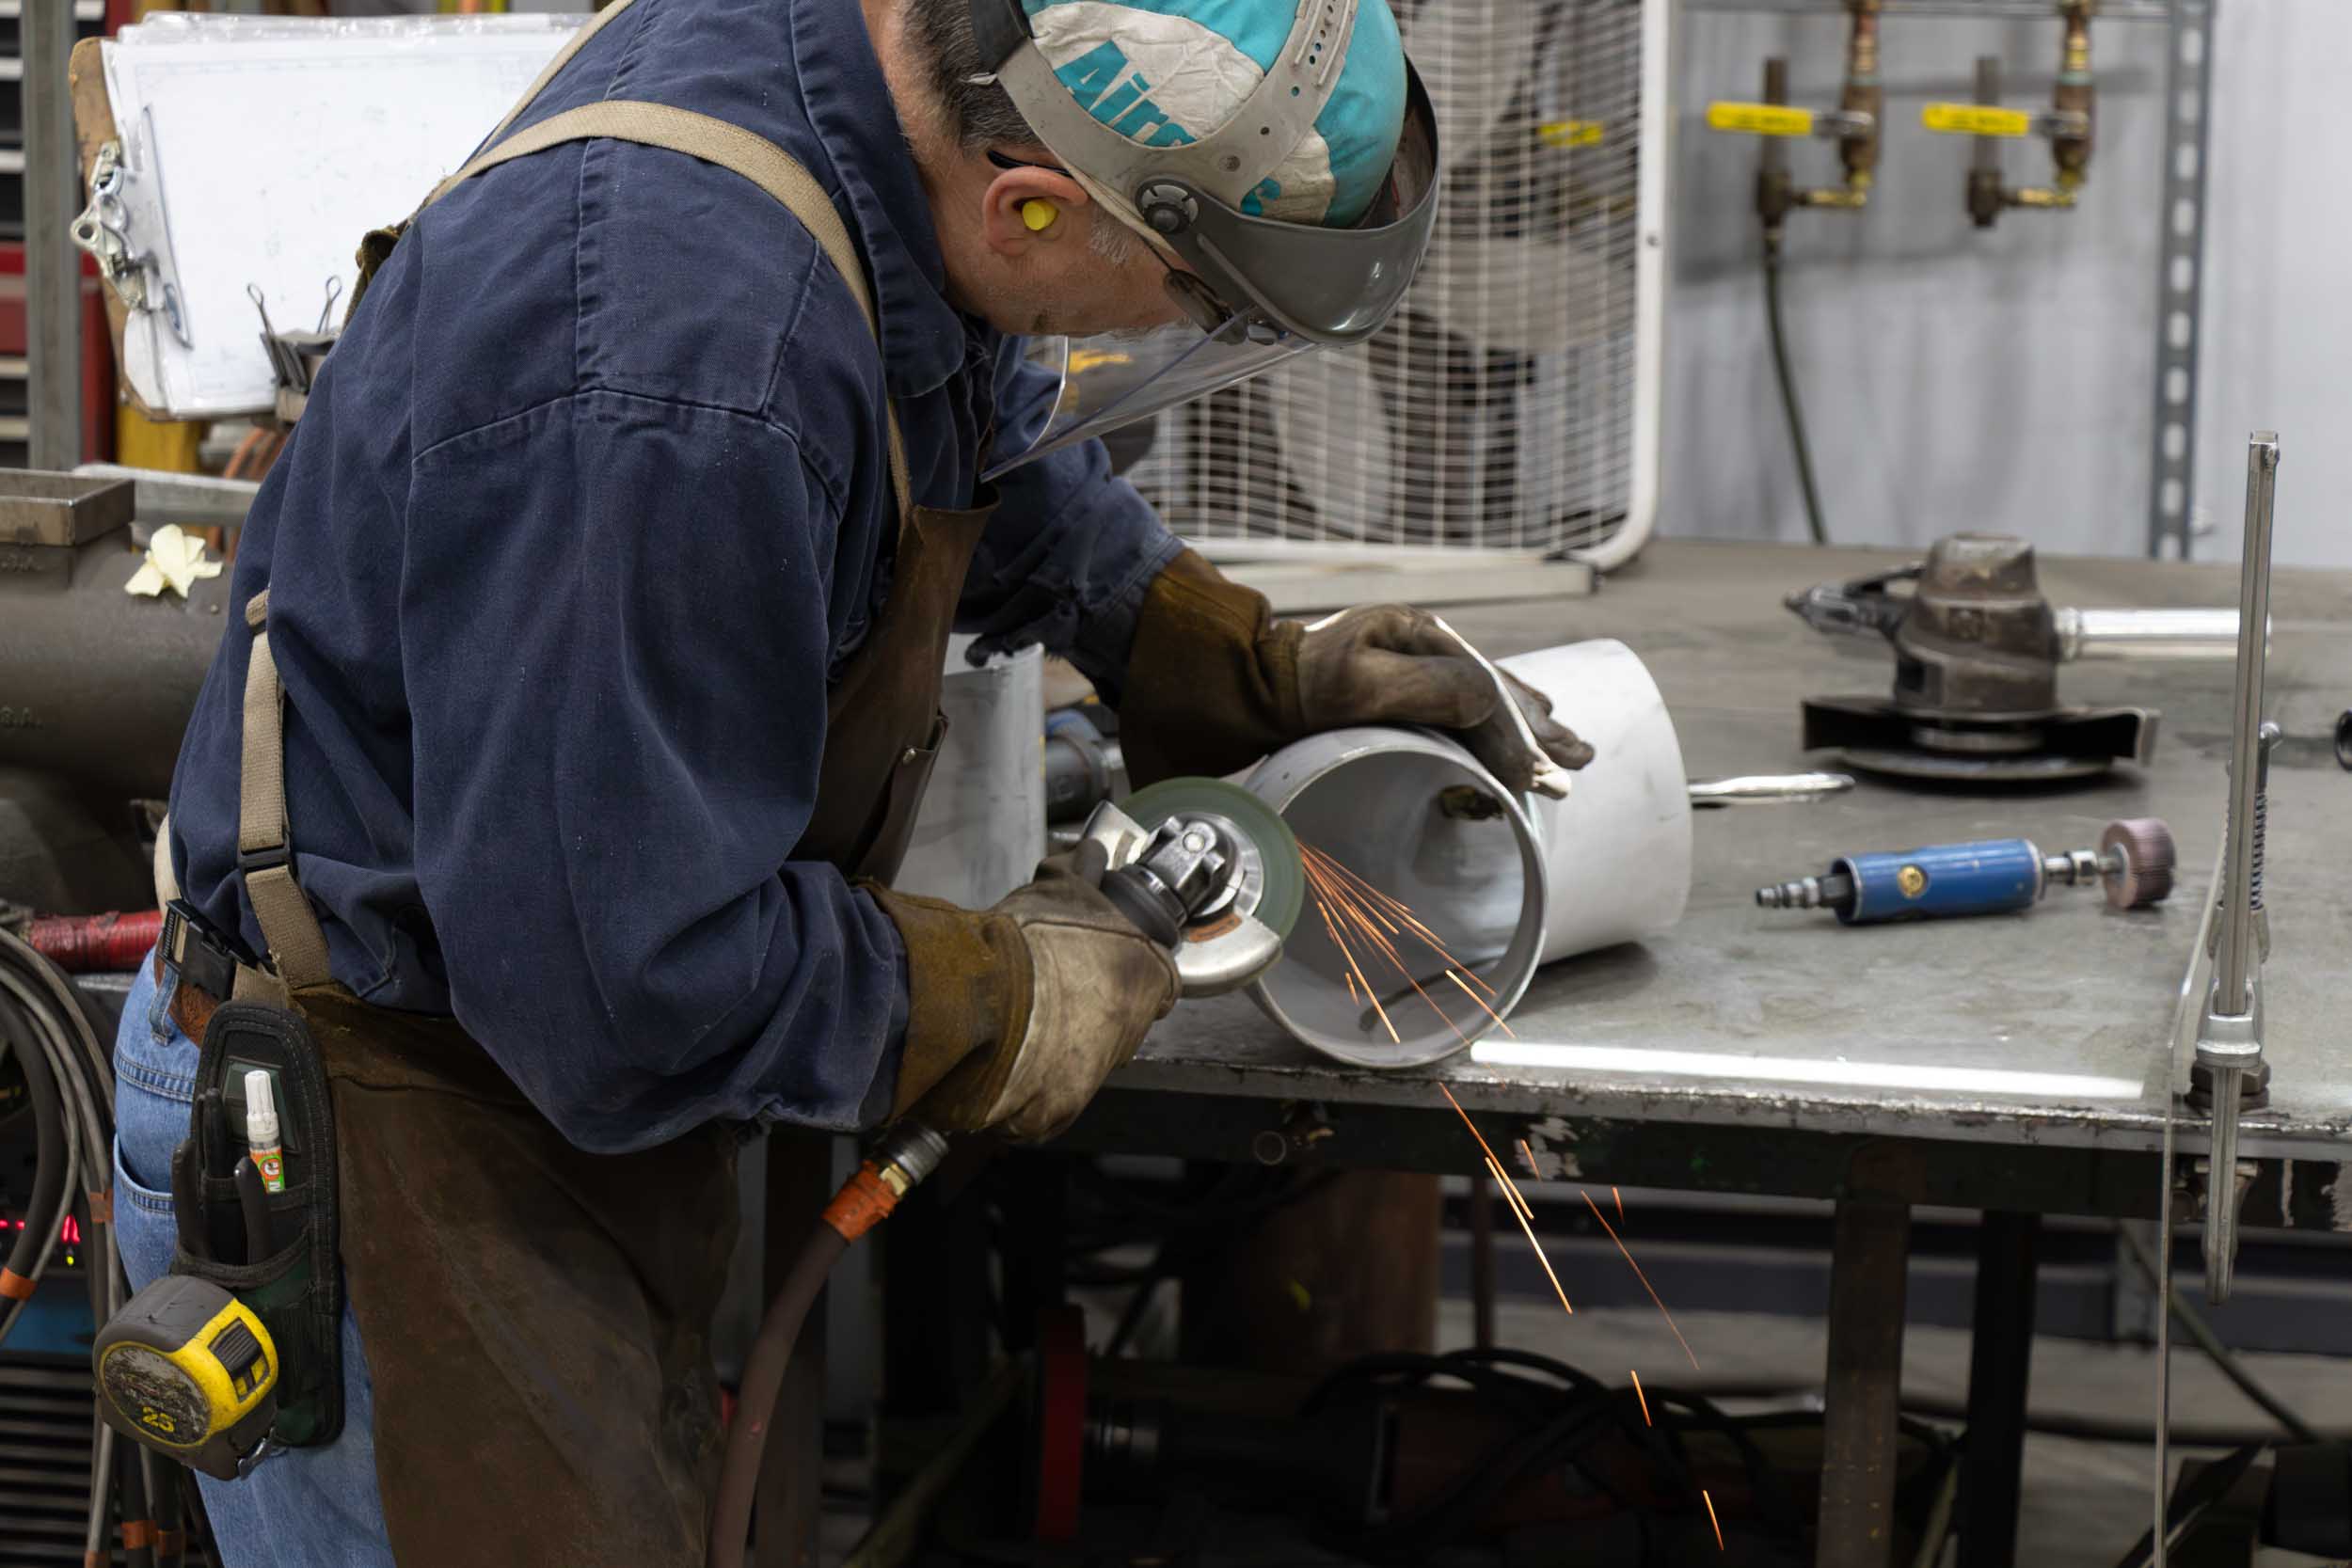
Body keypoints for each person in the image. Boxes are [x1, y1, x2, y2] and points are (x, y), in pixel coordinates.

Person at [112, 0, 1591, 1561]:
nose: (1165, 332)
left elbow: (963, 406)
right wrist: (1002, 1000)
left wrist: (1217, 653)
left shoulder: (878, 79)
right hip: (383, 1126)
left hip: (523, 1092)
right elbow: (619, 986)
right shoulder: (677, 379)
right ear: (1032, 200)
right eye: (1181, 291)